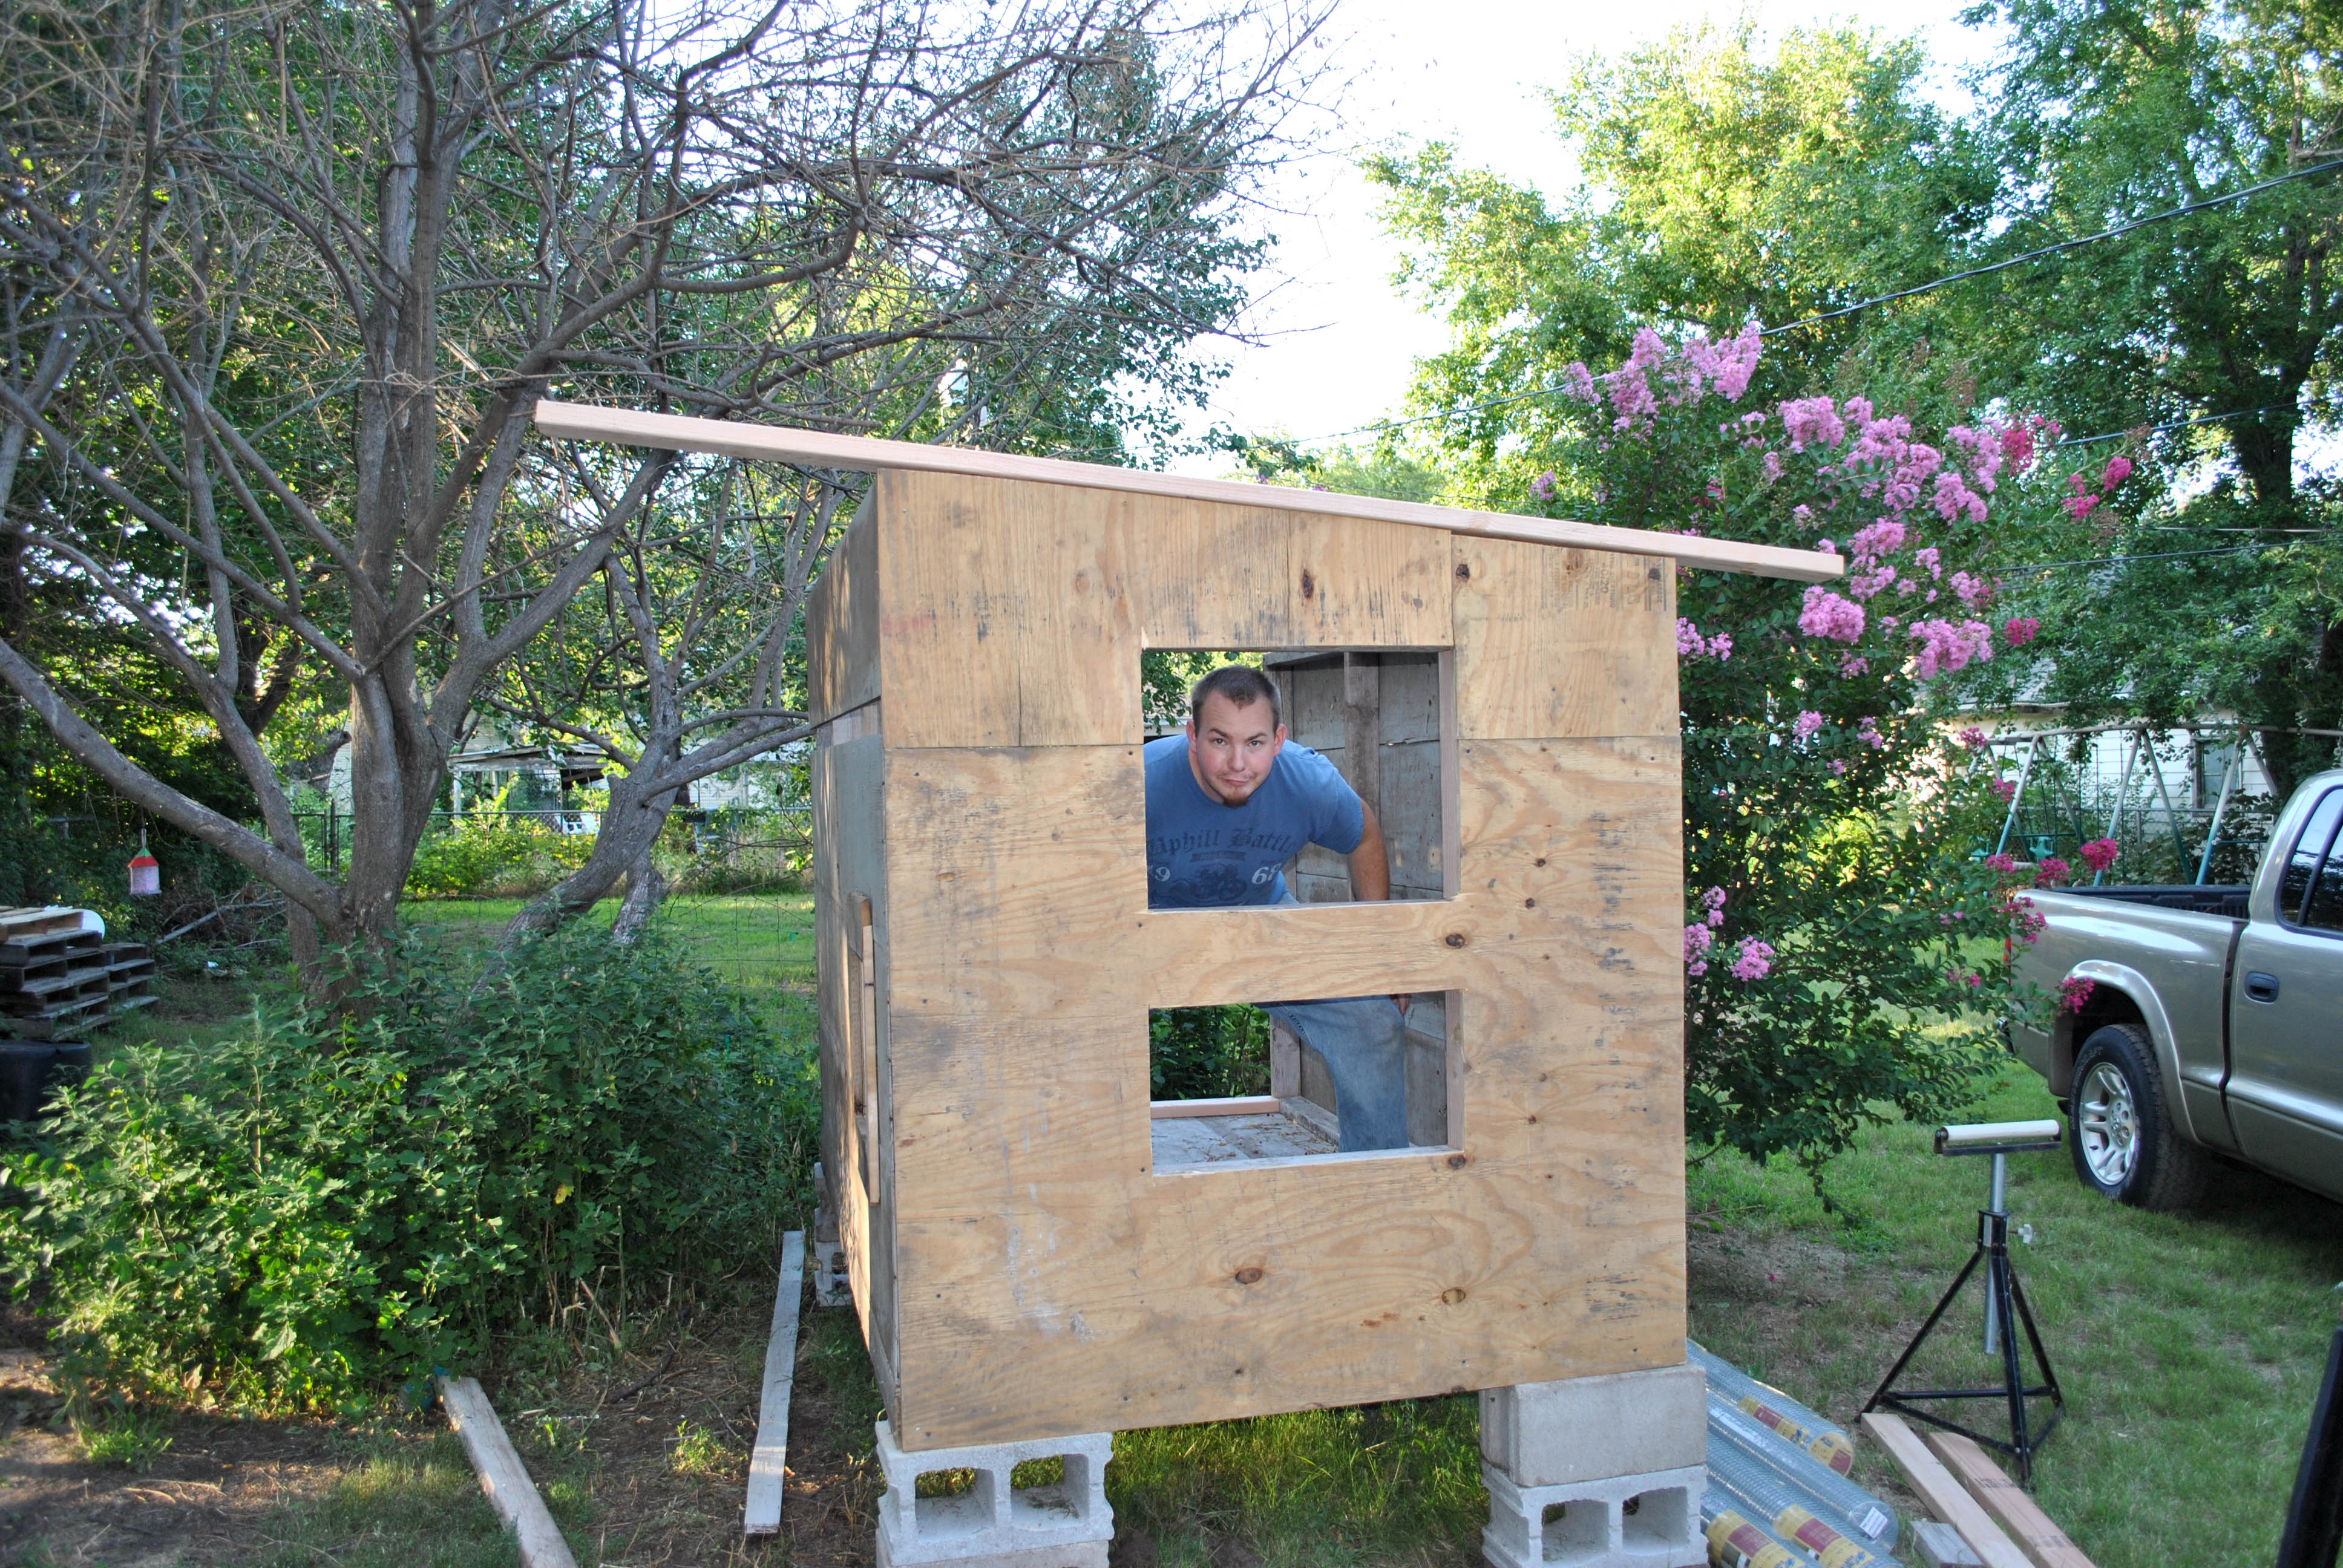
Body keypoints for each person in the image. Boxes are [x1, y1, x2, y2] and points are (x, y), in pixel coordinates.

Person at [1143, 664, 1410, 1152]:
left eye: (1256, 743)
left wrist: (1382, 955)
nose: (1238, 764)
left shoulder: (1306, 781)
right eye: (1219, 741)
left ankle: (1381, 1195)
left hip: (1260, 920)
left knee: (1373, 1021)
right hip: (1152, 926)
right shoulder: (1140, 783)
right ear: (1191, 735)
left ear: (1280, 739)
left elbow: (1364, 832)